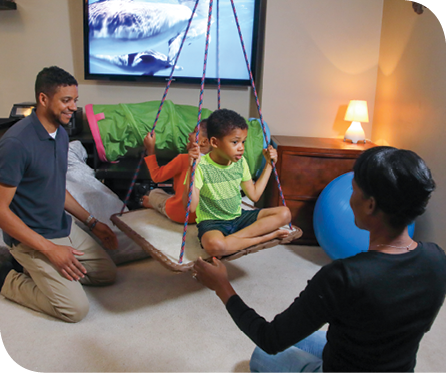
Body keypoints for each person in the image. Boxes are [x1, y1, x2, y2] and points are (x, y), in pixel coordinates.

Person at [193, 146, 446, 373]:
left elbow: (269, 339)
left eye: (354, 189)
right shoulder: (437, 259)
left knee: (261, 356)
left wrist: (222, 287)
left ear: (370, 205)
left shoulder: (344, 277)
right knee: (307, 336)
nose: (350, 195)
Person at [0, 66, 118, 323]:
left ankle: (42, 271)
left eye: (75, 100)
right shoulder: (16, 144)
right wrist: (50, 250)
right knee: (75, 310)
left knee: (107, 274)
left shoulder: (61, 135)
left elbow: (55, 188)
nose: (73, 107)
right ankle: (7, 276)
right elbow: (0, 210)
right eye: (66, 100)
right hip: (33, 237)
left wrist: (93, 223)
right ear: (43, 99)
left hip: (62, 227)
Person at [184, 108, 298, 257]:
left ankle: (233, 241)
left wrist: (269, 164)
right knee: (215, 246)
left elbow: (254, 196)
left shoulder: (240, 162)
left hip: (238, 217)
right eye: (235, 142)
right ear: (214, 142)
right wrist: (192, 168)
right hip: (213, 223)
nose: (241, 148)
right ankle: (265, 237)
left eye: (243, 142)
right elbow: (191, 207)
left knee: (284, 213)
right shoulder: (201, 165)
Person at [142, 119, 211, 224]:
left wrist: (150, 150)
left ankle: (153, 204)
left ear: (204, 142)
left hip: (181, 215)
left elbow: (157, 176)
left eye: (194, 132)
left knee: (154, 193)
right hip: (204, 217)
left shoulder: (183, 159)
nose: (189, 134)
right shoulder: (219, 163)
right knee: (174, 196)